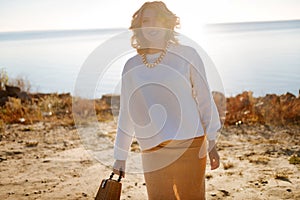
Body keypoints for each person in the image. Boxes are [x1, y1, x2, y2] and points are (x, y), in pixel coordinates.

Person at [113, 1, 221, 199]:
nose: (152, 25)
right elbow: (127, 114)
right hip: (153, 149)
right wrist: (120, 156)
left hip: (190, 144)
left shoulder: (188, 55)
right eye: (146, 20)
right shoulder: (131, 66)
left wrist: (212, 140)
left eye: (158, 19)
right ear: (139, 26)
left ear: (168, 24)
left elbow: (204, 100)